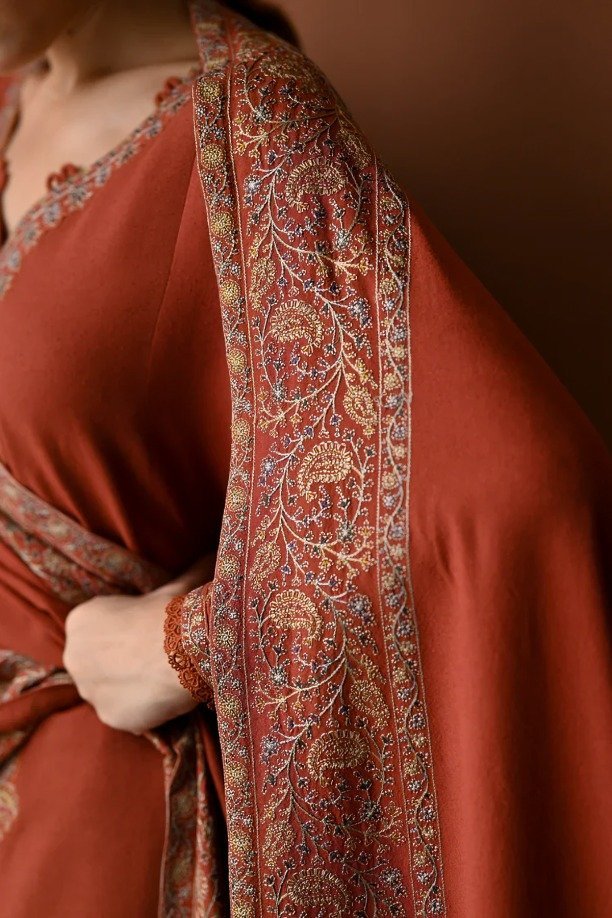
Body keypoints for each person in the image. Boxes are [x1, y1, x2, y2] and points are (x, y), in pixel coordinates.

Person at [0, 1, 610, 916]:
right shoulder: (15, 92)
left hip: (115, 828)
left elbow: (520, 499)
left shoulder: (257, 123)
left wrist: (190, 643)